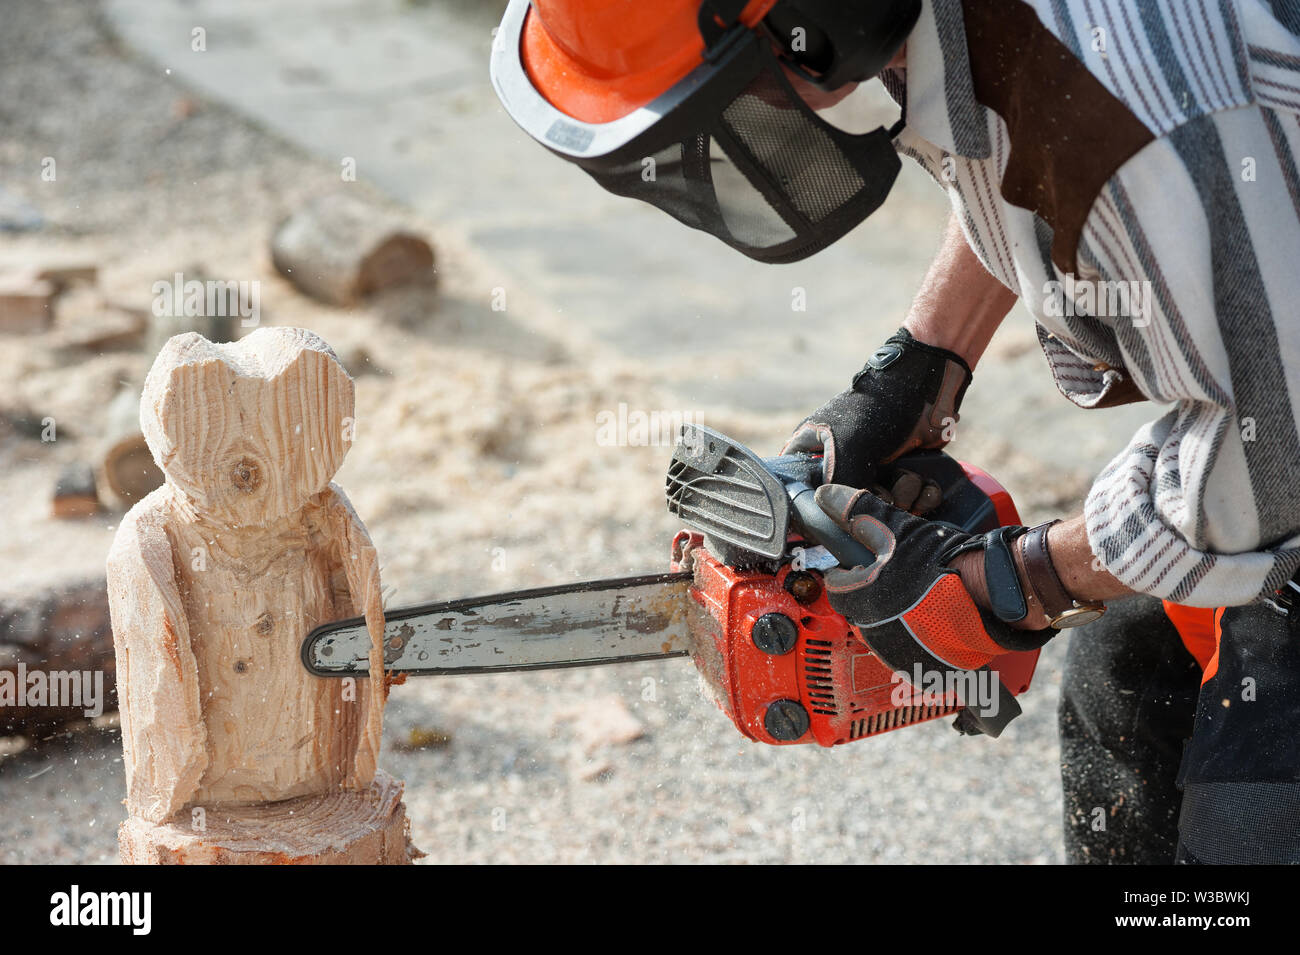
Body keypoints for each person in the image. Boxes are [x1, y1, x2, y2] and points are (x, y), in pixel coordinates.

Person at [490, 0, 1300, 863]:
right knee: (1124, 680)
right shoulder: (1009, 43)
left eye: (744, 86)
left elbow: (1273, 457)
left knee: (1245, 830)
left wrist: (1013, 577)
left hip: (1283, 441)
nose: (761, 116)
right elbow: (1027, 144)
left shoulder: (1148, 116)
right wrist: (919, 368)